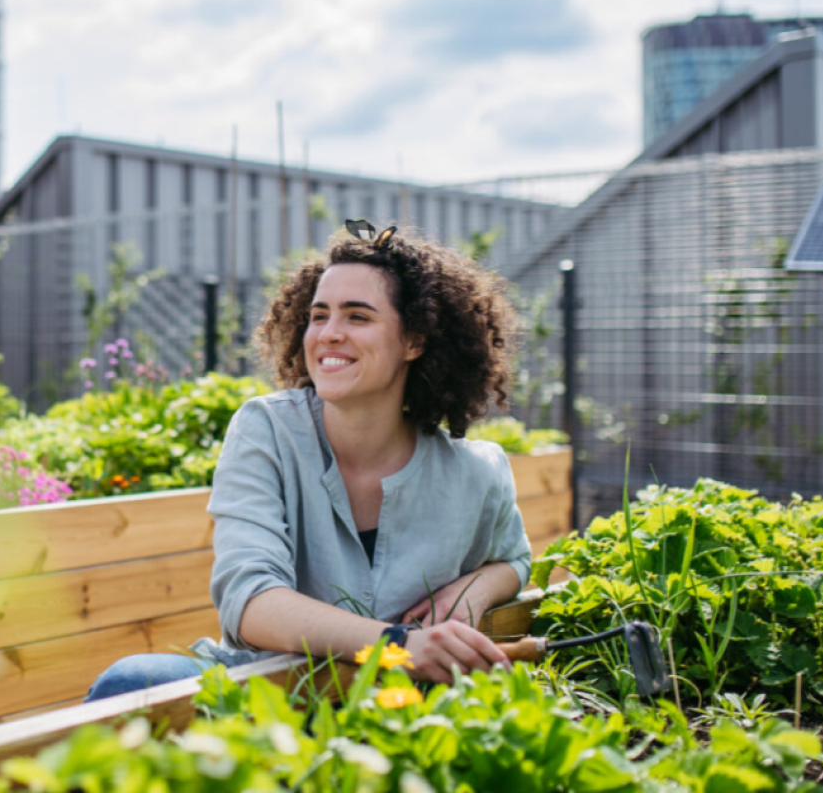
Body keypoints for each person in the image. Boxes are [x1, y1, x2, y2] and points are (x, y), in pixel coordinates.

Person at [86, 220, 531, 700]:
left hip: (397, 712)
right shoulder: (266, 431)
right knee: (129, 683)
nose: (329, 334)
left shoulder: (475, 471)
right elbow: (250, 601)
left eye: (357, 317)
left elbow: (514, 558)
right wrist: (398, 647)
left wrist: (476, 589)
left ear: (414, 341)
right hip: (268, 692)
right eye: (319, 316)